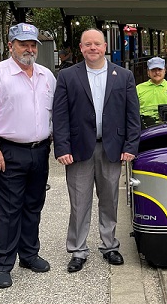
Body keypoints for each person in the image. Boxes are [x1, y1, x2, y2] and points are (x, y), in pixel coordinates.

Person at [0, 23, 56, 288]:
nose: (29, 49)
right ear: (11, 46)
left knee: (33, 206)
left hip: (41, 151)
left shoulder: (46, 76)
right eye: (23, 44)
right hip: (8, 152)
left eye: (33, 45)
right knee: (8, 211)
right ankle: (2, 265)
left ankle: (29, 255)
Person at [52, 28, 140, 273]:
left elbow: (132, 115)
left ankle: (110, 245)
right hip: (78, 150)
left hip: (112, 148)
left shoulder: (123, 76)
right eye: (87, 44)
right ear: (81, 48)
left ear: (105, 47)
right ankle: (78, 250)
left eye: (97, 44)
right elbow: (59, 116)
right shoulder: (67, 76)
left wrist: (131, 145)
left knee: (110, 200)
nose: (92, 48)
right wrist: (62, 146)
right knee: (79, 202)